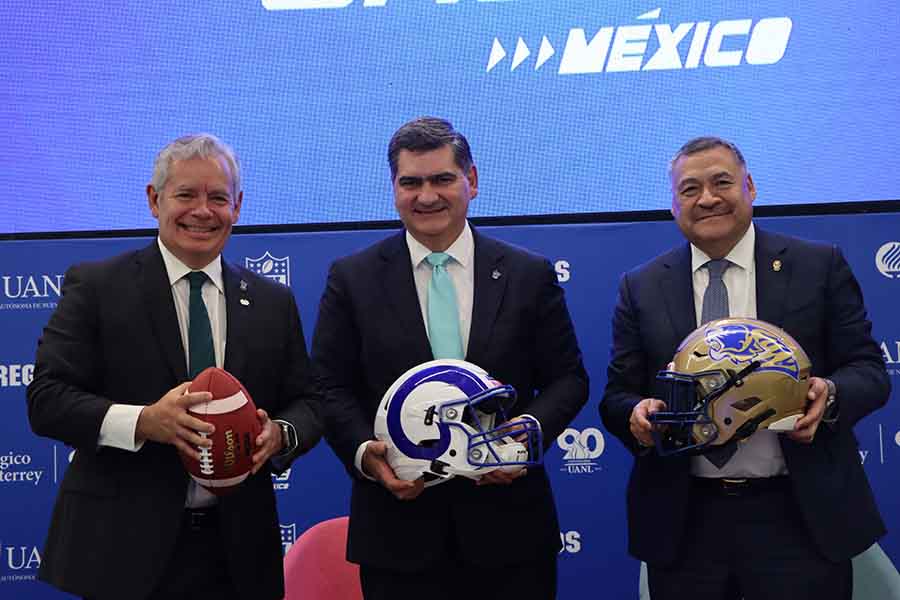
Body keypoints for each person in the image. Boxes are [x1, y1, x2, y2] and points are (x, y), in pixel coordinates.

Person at [26, 134, 322, 600]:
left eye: (218, 197)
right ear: (154, 199)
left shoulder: (272, 302)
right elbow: (46, 399)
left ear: (237, 206)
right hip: (122, 553)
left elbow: (308, 401)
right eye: (186, 194)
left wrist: (280, 433)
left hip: (240, 555)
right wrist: (145, 421)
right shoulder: (99, 287)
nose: (202, 211)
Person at [599, 136, 889, 600]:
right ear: (673, 204)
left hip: (799, 517)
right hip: (686, 524)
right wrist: (636, 414)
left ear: (750, 187)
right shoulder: (642, 285)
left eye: (721, 182)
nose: (707, 198)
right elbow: (616, 396)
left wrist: (828, 396)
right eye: (690, 189)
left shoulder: (818, 265)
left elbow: (869, 371)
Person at [311, 116, 589, 600]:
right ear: (394, 188)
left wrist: (523, 439)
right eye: (411, 182)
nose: (427, 196)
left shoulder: (528, 274)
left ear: (472, 181)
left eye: (442, 179)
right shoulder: (352, 278)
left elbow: (568, 379)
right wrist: (364, 453)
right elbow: (328, 386)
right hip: (397, 533)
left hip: (510, 529)